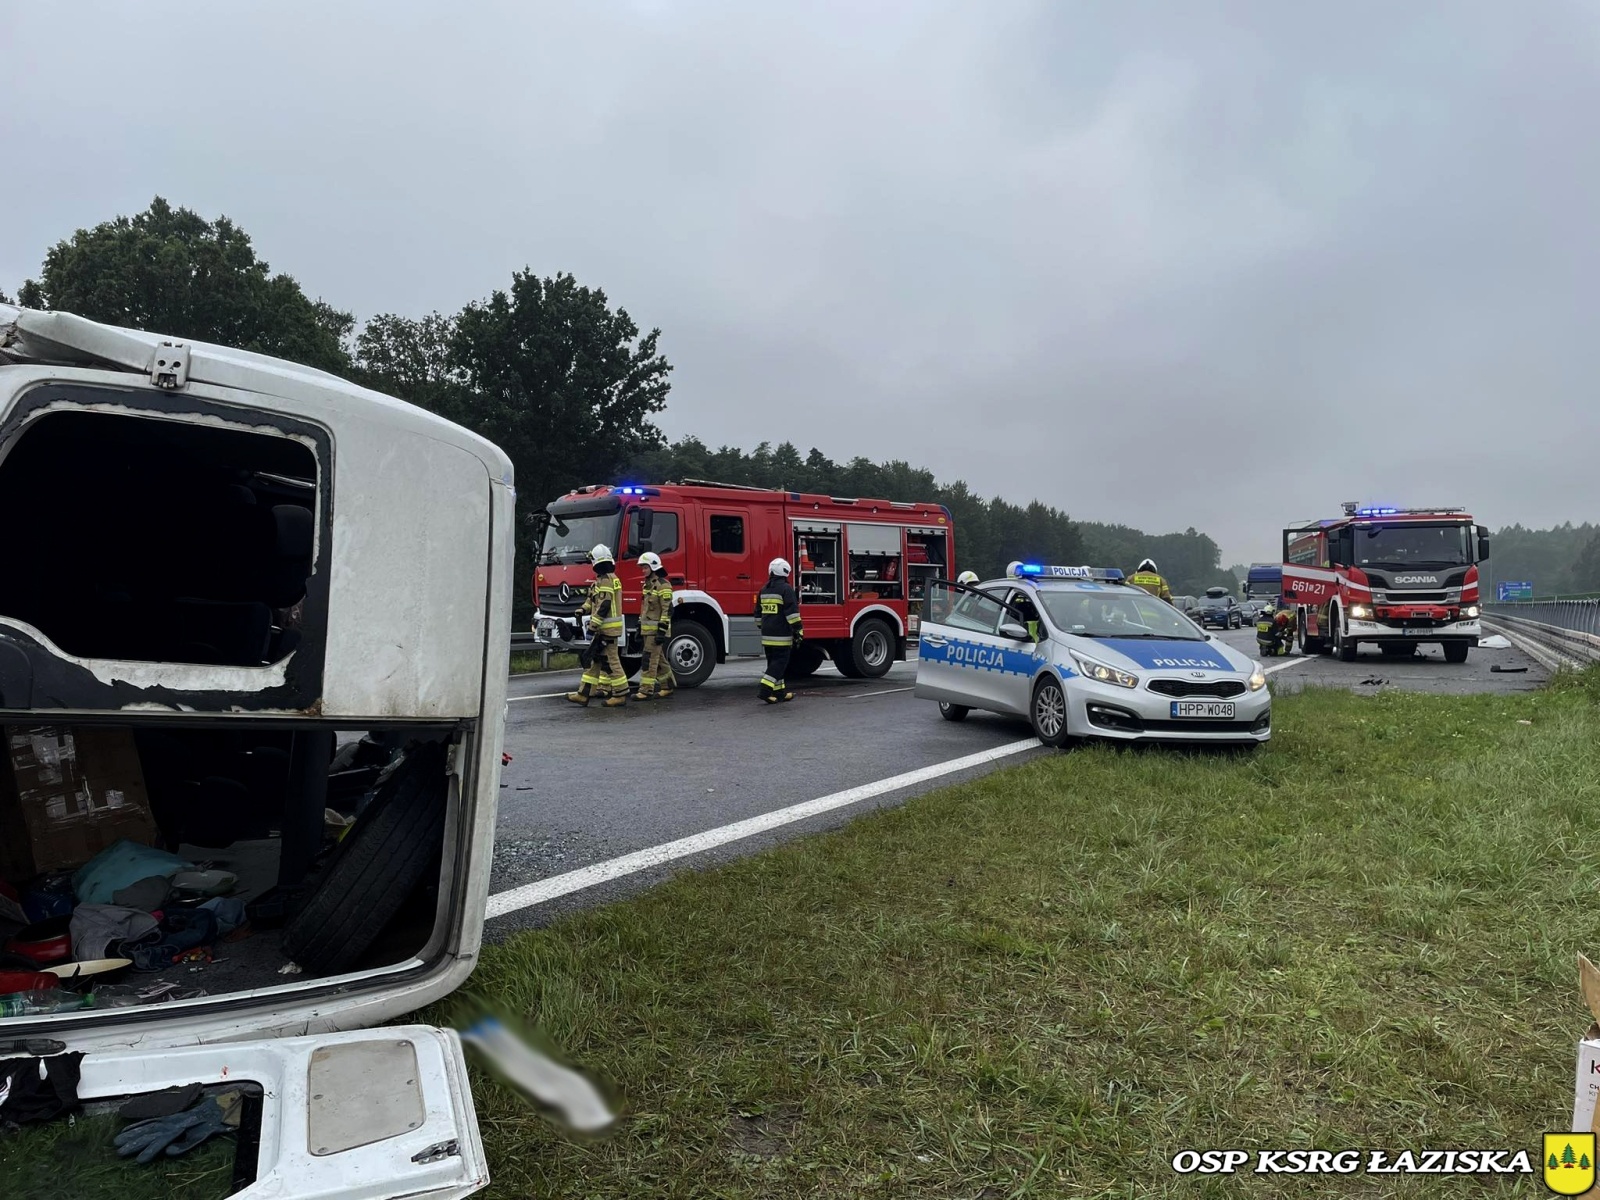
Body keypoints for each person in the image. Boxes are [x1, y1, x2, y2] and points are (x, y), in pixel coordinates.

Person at [566, 544, 628, 708]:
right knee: (594, 661)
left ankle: (620, 694)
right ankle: (583, 694)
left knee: (612, 661)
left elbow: (604, 604)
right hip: (604, 629)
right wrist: (582, 609)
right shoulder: (603, 580)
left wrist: (593, 626)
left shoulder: (606, 580)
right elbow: (592, 600)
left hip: (607, 629)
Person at [757, 557, 803, 704]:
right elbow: (792, 613)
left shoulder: (764, 589)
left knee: (773, 663)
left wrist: (762, 626)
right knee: (779, 663)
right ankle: (765, 690)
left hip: (767, 635)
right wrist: (798, 630)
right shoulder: (786, 589)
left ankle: (780, 693)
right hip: (781, 635)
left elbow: (758, 612)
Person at [635, 551, 675, 700]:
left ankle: (645, 691)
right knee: (660, 660)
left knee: (649, 660)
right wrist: (640, 626)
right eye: (642, 567)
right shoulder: (647, 585)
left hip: (657, 631)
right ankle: (668, 686)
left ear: (653, 566)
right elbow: (644, 608)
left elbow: (667, 610)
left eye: (645, 567)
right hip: (648, 630)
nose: (643, 570)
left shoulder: (663, 585)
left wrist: (661, 631)